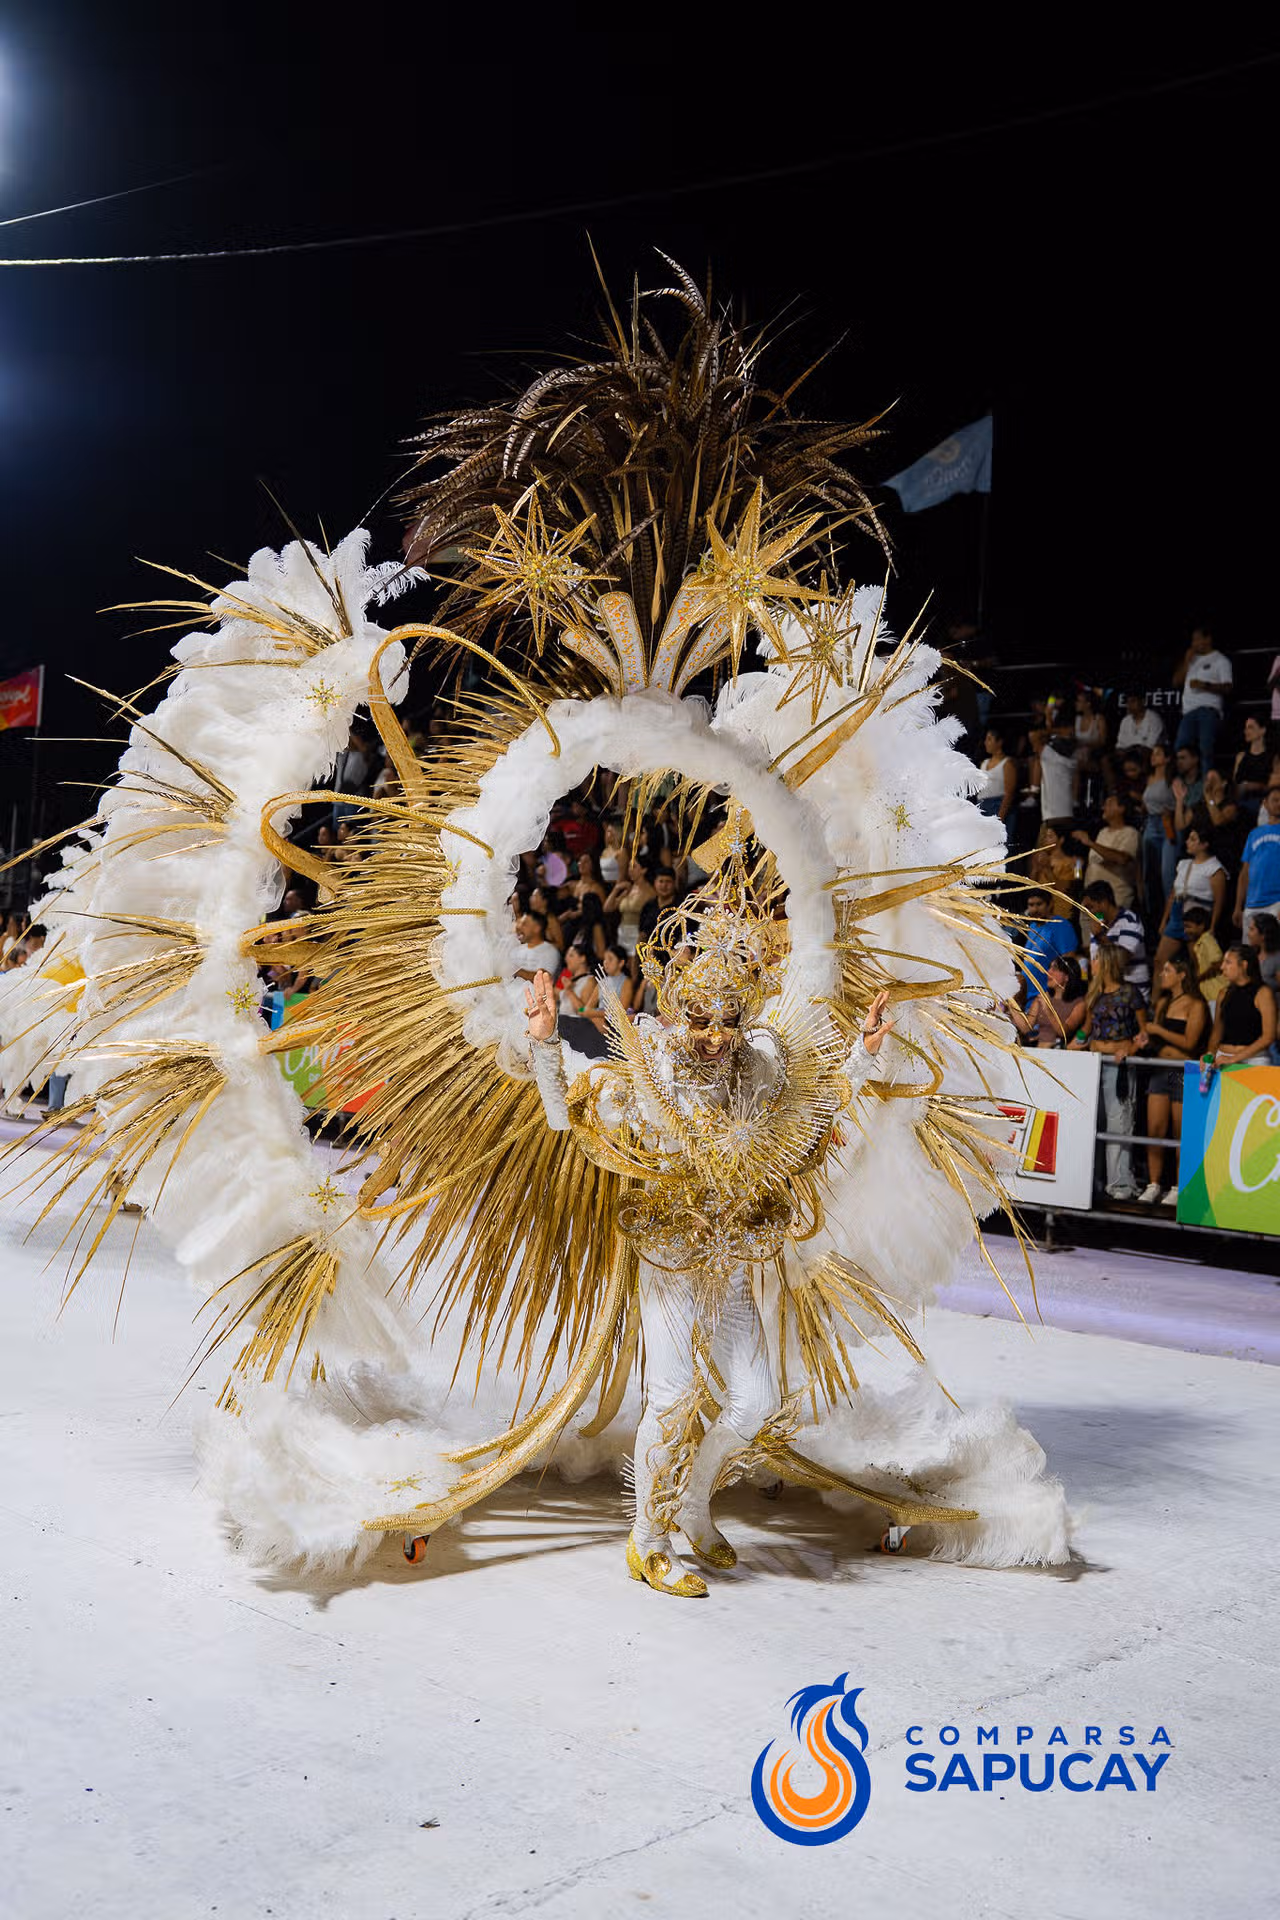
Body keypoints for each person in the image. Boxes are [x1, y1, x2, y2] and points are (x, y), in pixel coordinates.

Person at [525, 918, 898, 1597]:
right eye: (700, 1019)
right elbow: (564, 1119)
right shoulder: (650, 1069)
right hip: (667, 1262)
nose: (715, 1036)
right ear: (678, 1013)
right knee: (670, 1403)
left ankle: (695, 1504)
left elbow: (812, 1116)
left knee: (756, 1405)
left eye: (728, 1020)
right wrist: (549, 1042)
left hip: (726, 1262)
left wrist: (863, 1057)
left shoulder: (758, 1066)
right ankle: (647, 1542)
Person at [1069, 941, 1143, 1201]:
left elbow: (1144, 1034)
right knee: (1093, 1122)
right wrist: (1073, 1045)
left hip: (1117, 1063)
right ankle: (1094, 1182)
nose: (1093, 962)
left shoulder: (1129, 993)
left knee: (1118, 1122)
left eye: (1098, 958)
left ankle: (1121, 1183)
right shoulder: (1096, 993)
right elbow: (1087, 1029)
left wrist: (1131, 1051)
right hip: (1094, 1062)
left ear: (1108, 961)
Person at [1133, 953, 1208, 1206]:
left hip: (1181, 1071)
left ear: (1182, 974)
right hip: (1159, 1068)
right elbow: (1157, 1037)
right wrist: (1146, 1039)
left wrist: (1158, 1030)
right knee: (1155, 1130)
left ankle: (1179, 1185)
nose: (1162, 974)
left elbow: (1191, 1042)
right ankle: (1154, 1184)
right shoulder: (1164, 1002)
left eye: (1167, 970)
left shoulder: (1196, 1004)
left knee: (1180, 1131)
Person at [1153, 825, 1227, 974]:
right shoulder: (1183, 864)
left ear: (1204, 844)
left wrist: (1212, 927)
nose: (1188, 842)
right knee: (1159, 960)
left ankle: (1198, 995)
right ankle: (1154, 997)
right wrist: (1164, 921)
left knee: (1197, 964)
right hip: (1176, 913)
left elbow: (1219, 901)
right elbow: (1173, 894)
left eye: (1193, 839)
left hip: (1196, 915)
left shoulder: (1214, 868)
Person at [1172, 624, 1232, 770]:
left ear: (1208, 639)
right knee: (1180, 749)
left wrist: (1204, 685)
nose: (1194, 644)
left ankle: (1207, 787)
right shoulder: (1192, 660)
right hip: (1188, 712)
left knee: (1205, 750)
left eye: (1197, 639)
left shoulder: (1221, 660)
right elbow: (1176, 682)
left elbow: (1228, 688)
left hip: (1208, 710)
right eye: (1193, 640)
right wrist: (1186, 661)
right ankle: (1184, 788)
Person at [1208, 944, 1277, 1065]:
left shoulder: (1263, 993)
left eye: (1228, 962)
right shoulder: (1223, 993)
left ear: (1244, 965)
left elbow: (1269, 1036)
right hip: (1222, 1058)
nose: (1222, 967)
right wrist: (1209, 1055)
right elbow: (1216, 1033)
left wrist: (1234, 1059)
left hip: (1254, 1059)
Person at [1080, 881, 1150, 998]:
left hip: (1132, 995)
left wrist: (1100, 936)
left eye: (1090, 907)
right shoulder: (1098, 923)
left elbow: (1122, 959)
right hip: (1106, 993)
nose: (1089, 913)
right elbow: (1095, 959)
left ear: (1104, 903)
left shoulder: (1129, 921)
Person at [1003, 953, 1086, 1048]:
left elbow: (1063, 1032)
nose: (1048, 972)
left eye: (1055, 969)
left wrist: (1048, 1010)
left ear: (1067, 976)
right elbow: (1026, 1027)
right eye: (1049, 968)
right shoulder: (1042, 998)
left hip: (1061, 1053)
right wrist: (1011, 1003)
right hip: (1039, 1050)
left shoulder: (1079, 1004)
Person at [1072, 793, 1139, 910]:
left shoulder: (1130, 833)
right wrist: (1077, 868)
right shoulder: (1102, 832)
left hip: (1112, 905)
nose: (1103, 808)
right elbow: (1090, 866)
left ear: (1121, 808)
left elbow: (1121, 859)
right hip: (1090, 904)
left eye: (1109, 804)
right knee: (1093, 928)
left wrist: (1090, 843)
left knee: (1103, 928)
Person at [1233, 783, 1280, 932]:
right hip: (1252, 903)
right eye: (1275, 800)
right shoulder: (1254, 834)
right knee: (1249, 953)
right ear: (1265, 804)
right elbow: (1244, 872)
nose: (1279, 804)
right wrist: (1238, 906)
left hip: (1276, 902)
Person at [1141, 742, 1177, 917]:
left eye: (1158, 753)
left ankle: (1170, 916)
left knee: (1166, 874)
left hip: (1166, 824)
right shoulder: (1149, 778)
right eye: (1152, 753)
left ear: (1167, 758)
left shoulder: (1173, 779)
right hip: (1150, 823)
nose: (1153, 756)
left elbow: (1179, 802)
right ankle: (1153, 915)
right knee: (1150, 873)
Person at [1019, 889, 1079, 997]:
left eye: (1039, 904)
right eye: (1031, 905)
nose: (1035, 909)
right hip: (1027, 996)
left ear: (1050, 904)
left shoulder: (1060, 925)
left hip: (1046, 996)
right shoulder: (1032, 926)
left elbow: (1069, 962)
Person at [1036, 708, 1078, 824]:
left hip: (1053, 814)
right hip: (1066, 811)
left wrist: (1052, 728)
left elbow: (1035, 735)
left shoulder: (1049, 754)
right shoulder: (1073, 757)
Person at [1180, 902, 1226, 1006]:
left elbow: (1218, 964)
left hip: (1217, 994)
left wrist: (1200, 978)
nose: (1185, 931)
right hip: (1209, 996)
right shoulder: (1198, 944)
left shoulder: (1208, 940)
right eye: (1185, 927)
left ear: (1201, 926)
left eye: (1189, 927)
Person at [1232, 715, 1272, 822]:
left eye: (1251, 727)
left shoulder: (1272, 757)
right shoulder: (1240, 757)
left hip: (1264, 801)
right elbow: (1234, 783)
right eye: (1246, 728)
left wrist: (1256, 786)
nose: (1246, 731)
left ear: (1262, 730)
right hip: (1242, 800)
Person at [976, 726, 1018, 828]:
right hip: (982, 806)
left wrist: (1000, 818)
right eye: (986, 739)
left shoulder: (1007, 763)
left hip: (997, 806)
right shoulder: (984, 763)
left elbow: (1009, 793)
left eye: (989, 739)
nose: (986, 742)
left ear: (999, 742)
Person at [1028, 821, 1079, 900]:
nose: (1045, 840)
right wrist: (1035, 869)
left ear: (1061, 840)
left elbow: (1068, 889)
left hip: (1062, 906)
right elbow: (1030, 887)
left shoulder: (1075, 862)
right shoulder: (1040, 859)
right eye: (1045, 837)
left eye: (1050, 837)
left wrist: (1047, 869)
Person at [514, 907, 561, 981]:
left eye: (524, 924)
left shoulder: (550, 952)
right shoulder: (516, 949)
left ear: (537, 928)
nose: (519, 927)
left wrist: (515, 971)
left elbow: (544, 978)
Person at [1115, 691, 1163, 756]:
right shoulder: (1125, 720)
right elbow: (1120, 746)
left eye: (1133, 701)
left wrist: (1132, 751)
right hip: (1127, 757)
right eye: (1127, 702)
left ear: (1143, 702)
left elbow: (1149, 748)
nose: (1129, 705)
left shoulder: (1154, 719)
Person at [1245, 911, 1280, 989]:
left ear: (1263, 935)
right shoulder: (1252, 954)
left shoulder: (1277, 959)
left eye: (1252, 929)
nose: (1248, 933)